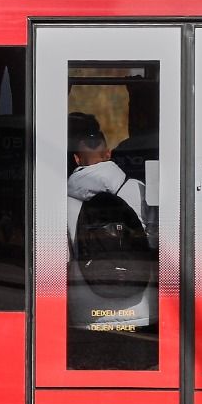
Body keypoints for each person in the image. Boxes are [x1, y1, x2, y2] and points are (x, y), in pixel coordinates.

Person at [65, 123, 155, 369]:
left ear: (76, 159)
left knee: (95, 379)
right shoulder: (138, 189)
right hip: (139, 302)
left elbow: (62, 256)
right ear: (109, 154)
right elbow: (155, 241)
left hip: (86, 303)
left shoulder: (63, 200)